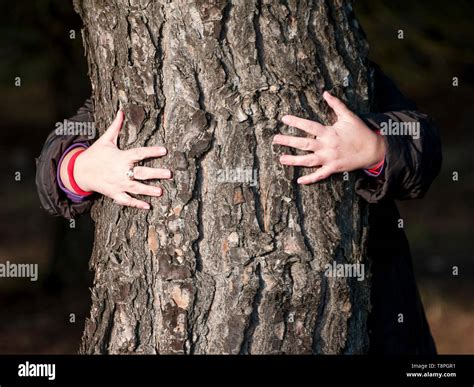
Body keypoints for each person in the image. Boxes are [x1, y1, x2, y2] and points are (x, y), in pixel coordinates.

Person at [36, 63, 442, 354]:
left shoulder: (337, 62)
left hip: (374, 313)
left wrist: (374, 147)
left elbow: (423, 143)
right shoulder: (137, 73)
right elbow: (52, 164)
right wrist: (81, 168)